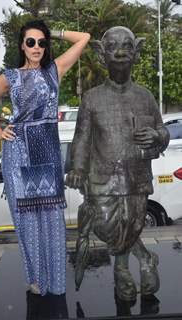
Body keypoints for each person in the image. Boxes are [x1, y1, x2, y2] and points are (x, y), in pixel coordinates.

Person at [0, 19, 90, 296]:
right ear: (22, 46)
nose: (37, 47)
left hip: (48, 153)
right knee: (28, 222)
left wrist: (52, 31)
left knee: (52, 218)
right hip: (20, 153)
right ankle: (36, 281)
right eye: (31, 42)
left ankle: (56, 281)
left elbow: (84, 38)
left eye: (42, 42)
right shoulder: (10, 77)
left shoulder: (55, 70)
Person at [65, 26, 169, 301]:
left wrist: (157, 135)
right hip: (101, 179)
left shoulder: (145, 96)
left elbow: (163, 130)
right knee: (106, 227)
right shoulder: (92, 98)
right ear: (102, 55)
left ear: (135, 53)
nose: (120, 52)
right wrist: (77, 168)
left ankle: (123, 270)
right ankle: (145, 258)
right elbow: (82, 139)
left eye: (126, 46)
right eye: (112, 47)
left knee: (132, 226)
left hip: (136, 176)